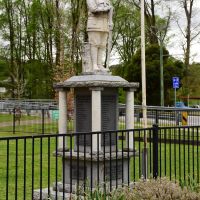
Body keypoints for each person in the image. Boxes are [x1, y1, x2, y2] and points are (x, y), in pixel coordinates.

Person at [86, 0, 113, 72]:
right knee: (95, 44)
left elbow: (110, 9)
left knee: (102, 45)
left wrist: (110, 22)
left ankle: (99, 64)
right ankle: (94, 64)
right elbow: (93, 9)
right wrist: (104, 9)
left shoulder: (107, 0)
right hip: (94, 23)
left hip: (105, 24)